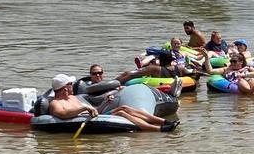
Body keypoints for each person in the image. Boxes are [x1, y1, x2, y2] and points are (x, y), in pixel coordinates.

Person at [48, 74, 176, 131]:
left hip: (91, 117)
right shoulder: (56, 103)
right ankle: (158, 129)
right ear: (65, 88)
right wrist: (84, 108)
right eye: (70, 84)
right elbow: (63, 114)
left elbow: (96, 110)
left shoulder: (72, 98)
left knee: (124, 107)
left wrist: (104, 103)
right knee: (121, 113)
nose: (72, 86)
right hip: (84, 122)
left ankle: (163, 121)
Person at [117, 51, 194, 84]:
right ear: (171, 60)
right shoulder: (180, 68)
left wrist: (118, 83)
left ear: (159, 59)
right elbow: (192, 74)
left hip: (159, 87)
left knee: (127, 73)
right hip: (174, 84)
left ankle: (113, 83)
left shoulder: (155, 69)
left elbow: (132, 75)